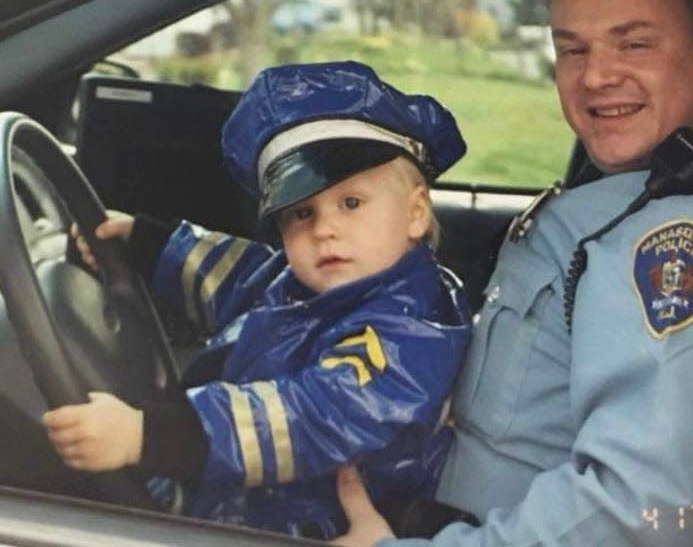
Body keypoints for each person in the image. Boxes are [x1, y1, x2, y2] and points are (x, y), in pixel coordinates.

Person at [331, 0, 693, 547]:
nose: (596, 75)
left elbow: (643, 515)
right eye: (573, 48)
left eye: (633, 44)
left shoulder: (690, 236)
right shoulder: (664, 181)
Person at [42, 61, 473, 539]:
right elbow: (248, 280)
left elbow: (316, 414)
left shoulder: (412, 330)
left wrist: (151, 436)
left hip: (312, 525)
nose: (323, 228)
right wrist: (150, 244)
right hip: (247, 503)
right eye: (301, 212)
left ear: (415, 214)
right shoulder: (317, 284)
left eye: (350, 203)